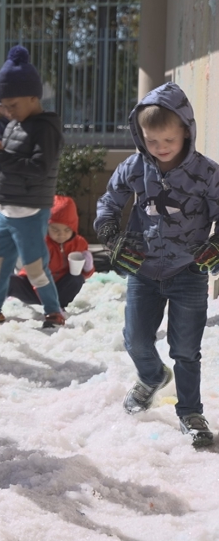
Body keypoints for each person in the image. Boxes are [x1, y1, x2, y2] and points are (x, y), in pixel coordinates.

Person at [95, 81, 219, 449]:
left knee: (185, 349)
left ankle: (191, 413)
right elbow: (108, 204)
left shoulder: (207, 173)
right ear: (140, 135)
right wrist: (111, 235)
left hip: (189, 272)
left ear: (186, 131)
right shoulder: (134, 168)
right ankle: (151, 377)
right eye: (152, 141)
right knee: (135, 339)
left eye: (168, 140)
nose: (160, 149)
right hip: (143, 271)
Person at [0, 46, 66, 329]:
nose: (7, 111)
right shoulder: (15, 124)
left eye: (12, 105)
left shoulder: (46, 128)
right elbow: (14, 156)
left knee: (35, 265)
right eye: (4, 106)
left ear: (33, 97)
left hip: (28, 210)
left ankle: (54, 312)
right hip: (6, 207)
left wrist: (0, 157)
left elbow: (37, 169)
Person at [0, 195, 92, 326]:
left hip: (59, 290)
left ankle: (58, 308)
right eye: (55, 229)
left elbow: (84, 276)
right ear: (47, 226)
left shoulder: (79, 243)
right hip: (34, 286)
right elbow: (36, 273)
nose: (61, 234)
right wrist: (47, 297)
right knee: (9, 279)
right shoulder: (41, 242)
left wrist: (88, 268)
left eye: (67, 230)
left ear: (74, 228)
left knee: (76, 278)